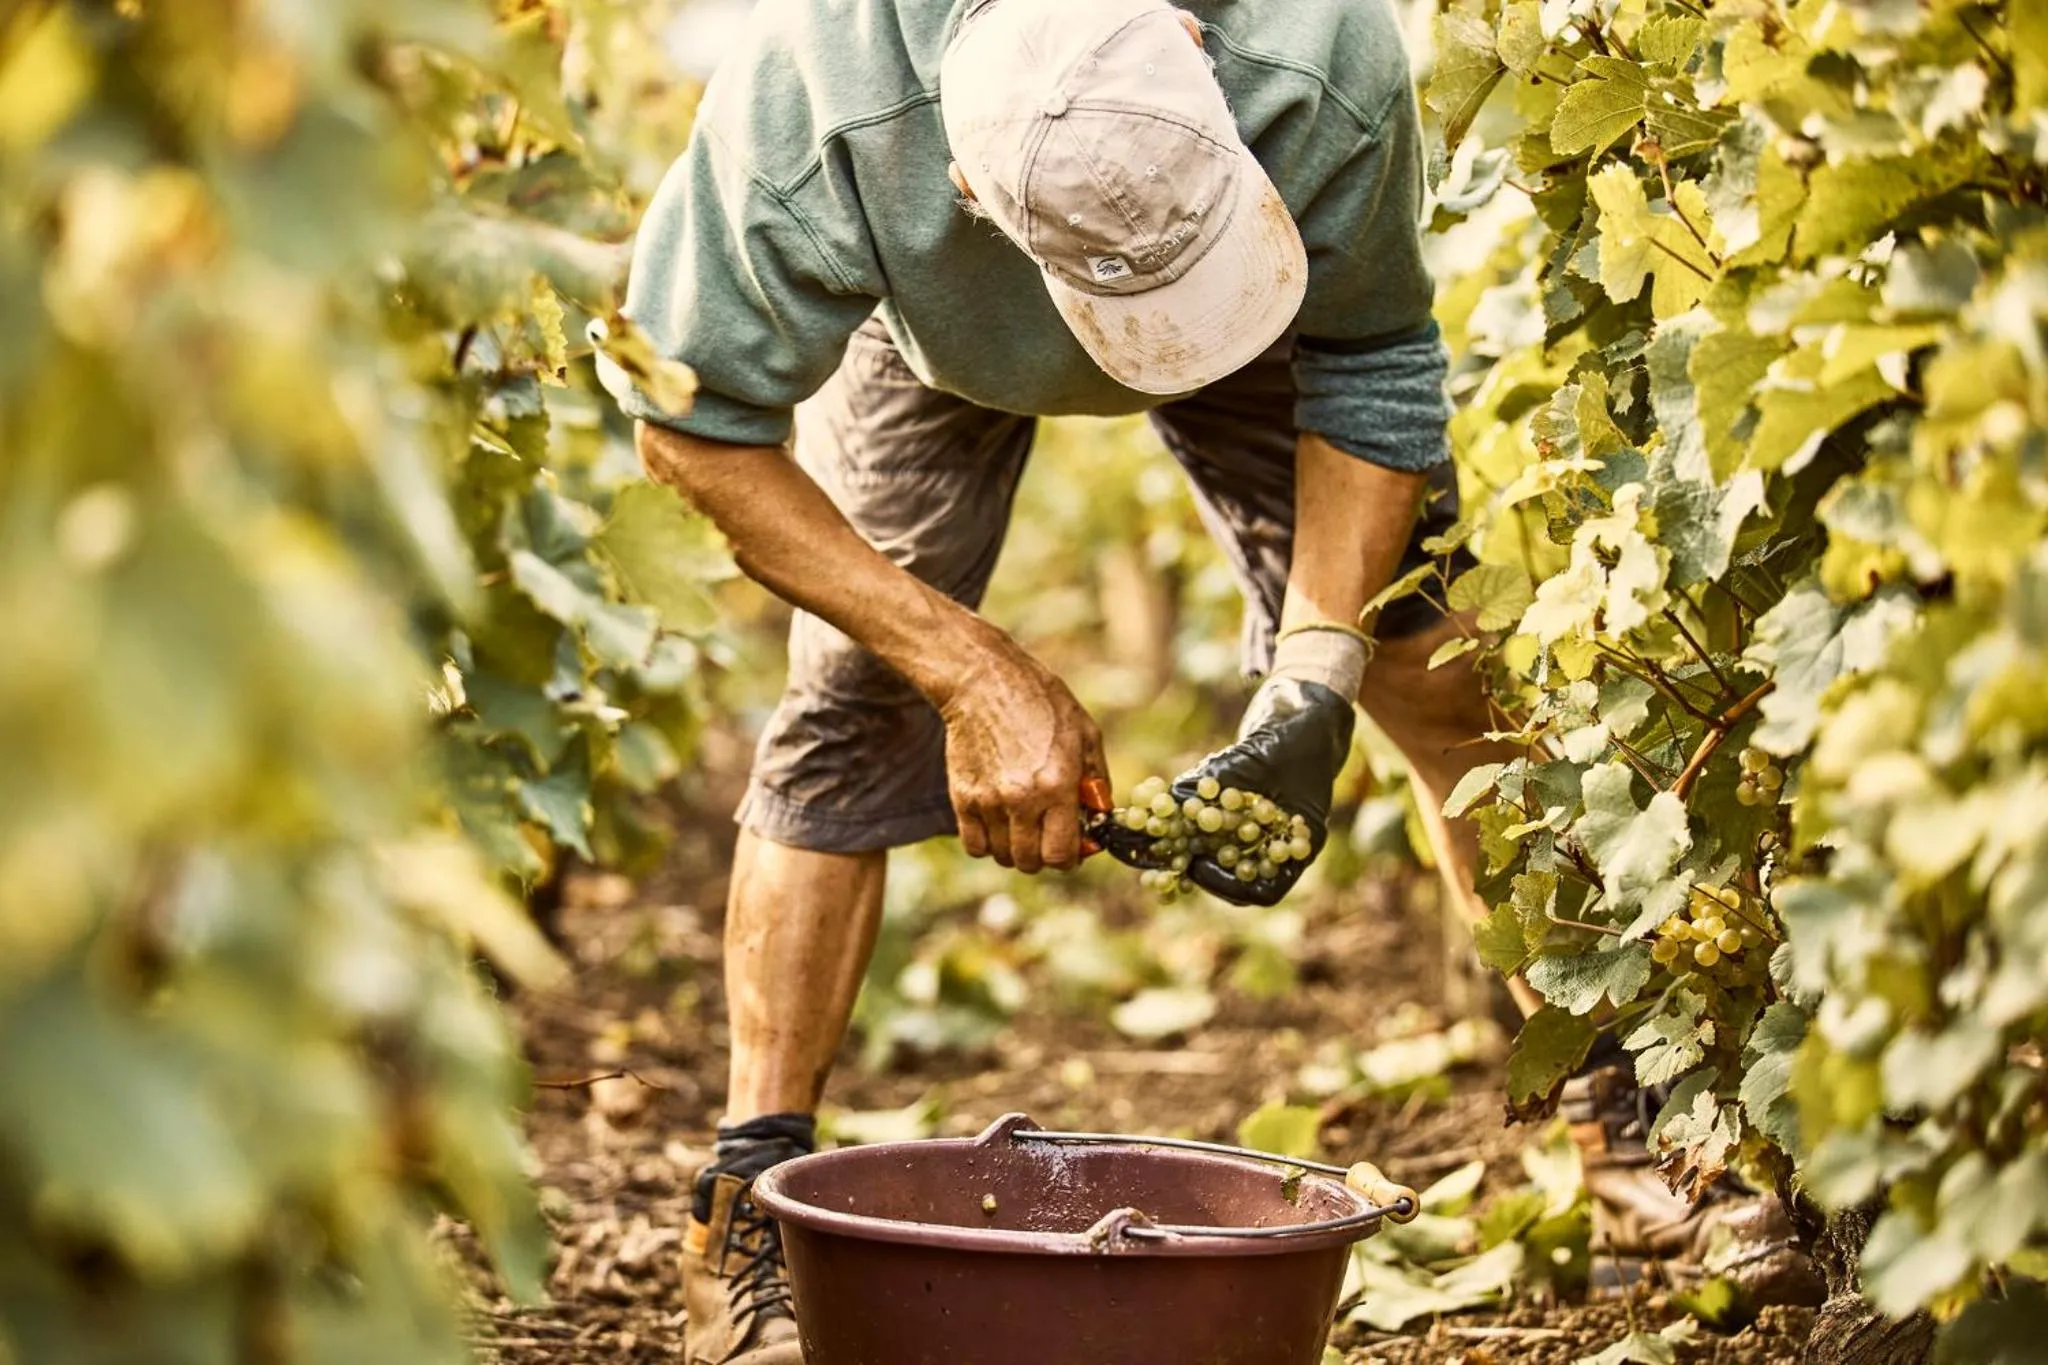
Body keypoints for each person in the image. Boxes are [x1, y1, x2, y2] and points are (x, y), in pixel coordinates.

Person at [599, 1, 1813, 1360]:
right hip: (922, 341)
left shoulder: (1317, 56)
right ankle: (743, 1207)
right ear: (960, 182)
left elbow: (1373, 363)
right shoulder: (817, 102)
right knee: (848, 706)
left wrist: (1312, 678)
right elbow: (693, 428)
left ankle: (1629, 1113)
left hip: (1258, 287)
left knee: (1429, 662)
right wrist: (963, 665)